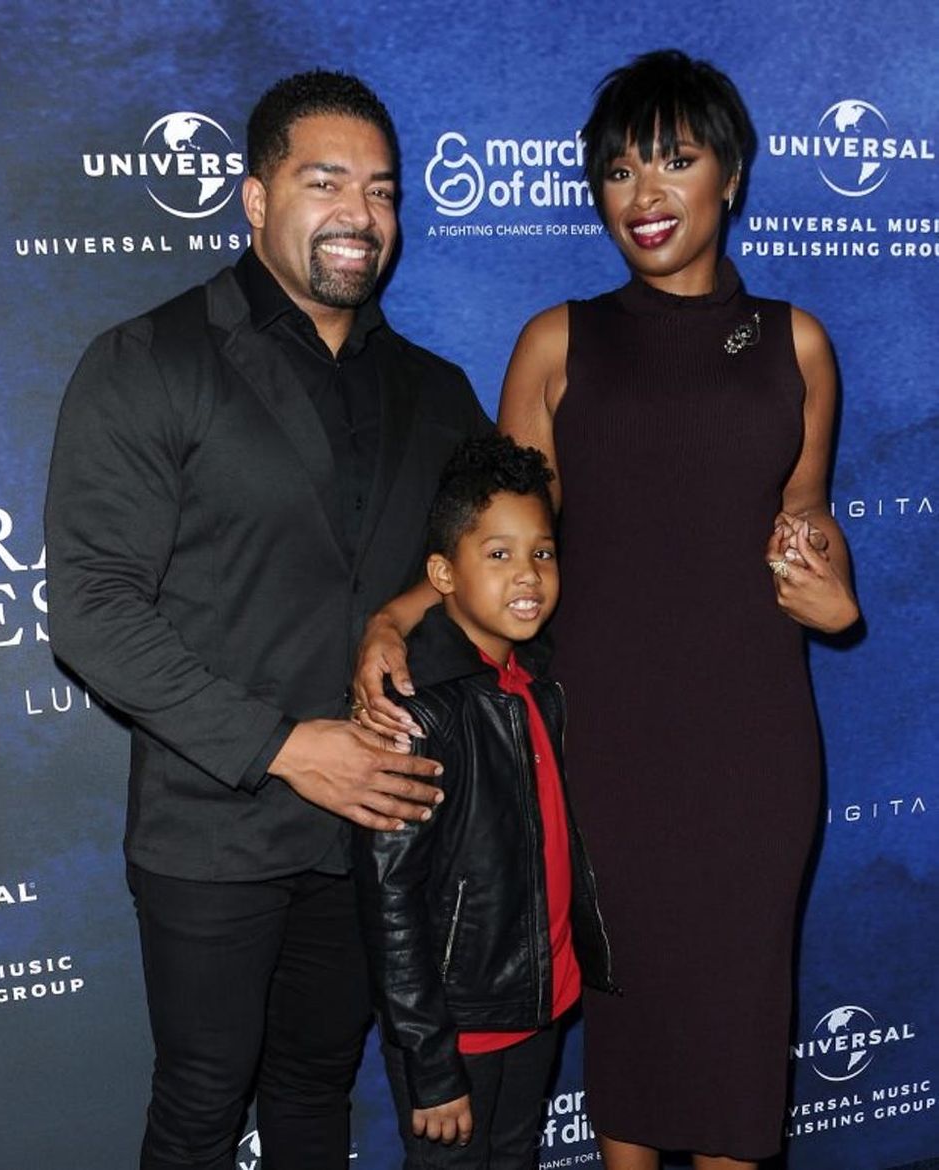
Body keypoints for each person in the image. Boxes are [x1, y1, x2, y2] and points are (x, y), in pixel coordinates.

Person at [353, 49, 859, 1170]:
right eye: (619, 170)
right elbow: (497, 544)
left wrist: (832, 595)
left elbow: (806, 524)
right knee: (627, 1027)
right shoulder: (556, 340)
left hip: (750, 747)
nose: (642, 194)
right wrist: (394, 619)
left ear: (730, 175)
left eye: (674, 162)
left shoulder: (797, 345)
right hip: (598, 744)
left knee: (732, 1027)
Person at [44, 70, 490, 1170]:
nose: (360, 214)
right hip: (212, 825)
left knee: (314, 1095)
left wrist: (396, 617)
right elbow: (92, 609)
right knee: (200, 1107)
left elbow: (487, 560)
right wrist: (288, 748)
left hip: (375, 829)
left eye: (382, 190)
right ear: (252, 200)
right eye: (324, 180)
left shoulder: (434, 390)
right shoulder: (150, 361)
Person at [353, 435, 616, 1170]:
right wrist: (430, 1063)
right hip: (457, 1031)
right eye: (497, 555)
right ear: (442, 573)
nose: (527, 575)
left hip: (537, 1003)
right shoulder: (414, 716)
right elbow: (389, 900)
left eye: (543, 553)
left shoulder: (538, 682)